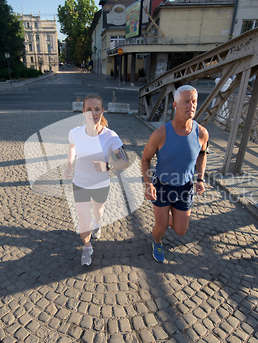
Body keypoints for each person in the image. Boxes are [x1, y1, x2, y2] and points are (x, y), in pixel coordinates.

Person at [141, 85, 209, 263]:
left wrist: (200, 178)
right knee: (161, 227)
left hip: (185, 188)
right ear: (175, 105)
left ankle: (168, 215)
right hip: (162, 186)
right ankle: (156, 241)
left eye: (194, 102)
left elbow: (202, 155)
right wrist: (148, 184)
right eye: (186, 102)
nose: (191, 106)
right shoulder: (160, 134)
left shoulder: (202, 133)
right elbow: (145, 159)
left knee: (181, 230)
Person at [65, 94, 130, 266]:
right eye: (89, 109)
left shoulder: (111, 136)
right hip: (79, 183)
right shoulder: (75, 133)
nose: (93, 113)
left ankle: (98, 224)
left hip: (101, 184)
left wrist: (108, 166)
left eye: (97, 109)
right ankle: (87, 248)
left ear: (102, 111)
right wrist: (69, 163)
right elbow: (71, 146)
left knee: (97, 212)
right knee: (83, 219)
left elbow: (125, 161)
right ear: (83, 111)